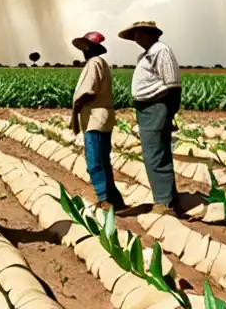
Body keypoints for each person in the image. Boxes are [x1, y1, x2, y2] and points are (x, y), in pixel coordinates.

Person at [119, 20, 181, 215]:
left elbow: (172, 85)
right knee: (152, 153)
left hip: (156, 106)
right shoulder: (146, 55)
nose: (136, 38)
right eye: (134, 35)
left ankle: (164, 202)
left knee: (156, 154)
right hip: (147, 108)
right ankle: (167, 198)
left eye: (139, 33)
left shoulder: (161, 50)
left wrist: (169, 114)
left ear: (150, 33)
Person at [70, 31, 125, 211]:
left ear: (88, 48)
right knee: (103, 159)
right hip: (104, 117)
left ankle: (104, 199)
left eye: (85, 47)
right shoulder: (102, 63)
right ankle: (115, 198)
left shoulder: (93, 63)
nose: (83, 50)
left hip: (95, 118)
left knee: (94, 161)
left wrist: (77, 106)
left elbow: (89, 91)